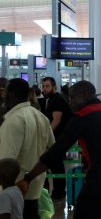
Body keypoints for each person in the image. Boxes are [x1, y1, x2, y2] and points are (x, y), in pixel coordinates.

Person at [18, 81, 101, 219]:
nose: (70, 103)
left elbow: (56, 152)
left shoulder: (83, 116)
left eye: (72, 98)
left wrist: (28, 178)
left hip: (98, 184)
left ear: (85, 95)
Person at [0, 78, 55, 219]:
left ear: (11, 94)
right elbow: (51, 150)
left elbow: (6, 161)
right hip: (34, 185)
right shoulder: (41, 117)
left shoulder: (14, 121)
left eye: (5, 92)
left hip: (13, 189)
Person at [41, 77, 73, 202]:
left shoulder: (57, 100)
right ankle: (57, 192)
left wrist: (46, 135)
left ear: (54, 86)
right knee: (55, 164)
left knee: (56, 164)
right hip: (57, 136)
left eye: (47, 86)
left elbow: (57, 120)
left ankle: (59, 193)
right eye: (43, 86)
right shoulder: (51, 99)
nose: (45, 89)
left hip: (57, 137)